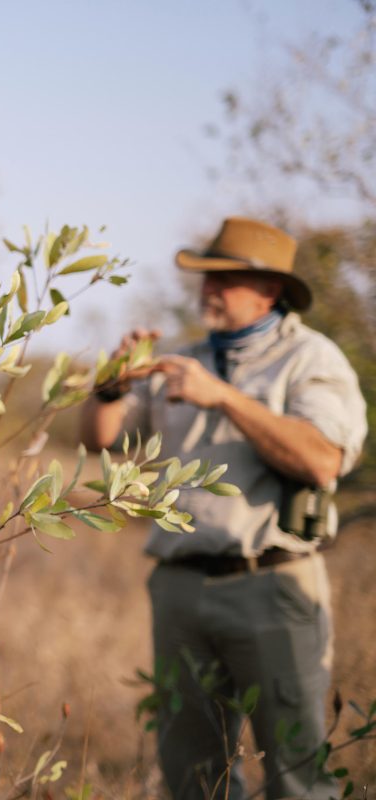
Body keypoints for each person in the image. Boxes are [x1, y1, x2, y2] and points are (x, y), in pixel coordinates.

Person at [81, 217, 367, 799]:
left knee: (297, 776)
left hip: (271, 587)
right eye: (206, 277)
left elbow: (322, 460)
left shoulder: (311, 358)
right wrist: (111, 385)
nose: (208, 289)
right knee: (193, 778)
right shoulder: (182, 362)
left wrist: (226, 399)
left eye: (225, 279)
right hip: (179, 590)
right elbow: (99, 438)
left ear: (270, 291)